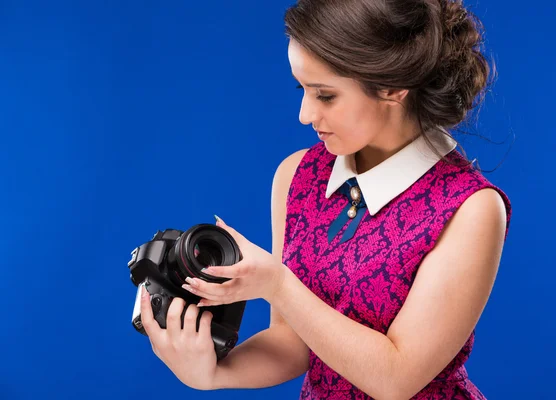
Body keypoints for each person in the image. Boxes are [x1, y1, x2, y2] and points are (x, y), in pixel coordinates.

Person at [139, 0, 513, 398]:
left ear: (392, 86)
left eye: (325, 95)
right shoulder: (298, 175)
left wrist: (278, 285)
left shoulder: (469, 207)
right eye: (302, 89)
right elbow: (293, 343)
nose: (304, 114)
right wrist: (212, 373)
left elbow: (397, 378)